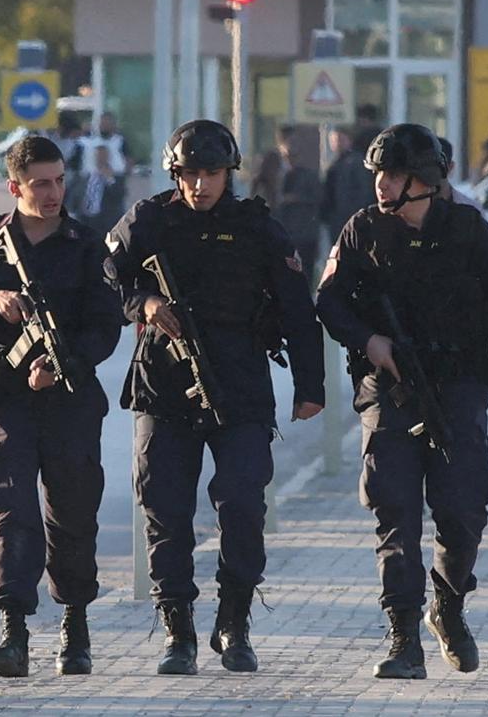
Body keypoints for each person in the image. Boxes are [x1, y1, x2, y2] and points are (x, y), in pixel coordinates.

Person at [104, 119, 325, 675]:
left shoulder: (256, 227)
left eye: (211, 174)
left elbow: (298, 308)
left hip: (240, 384)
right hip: (164, 385)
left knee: (244, 504)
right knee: (165, 509)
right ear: (175, 174)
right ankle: (178, 628)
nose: (200, 185)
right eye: (190, 174)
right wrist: (146, 304)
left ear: (230, 174)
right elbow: (108, 273)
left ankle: (234, 622)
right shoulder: (150, 220)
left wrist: (309, 387)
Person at [316, 123, 488, 680]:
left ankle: (446, 606)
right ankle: (403, 638)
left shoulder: (468, 229)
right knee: (395, 510)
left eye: (394, 174)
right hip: (389, 387)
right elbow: (329, 302)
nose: (381, 183)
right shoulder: (361, 230)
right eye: (378, 173)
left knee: (464, 508)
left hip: (459, 386)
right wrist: (370, 341)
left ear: (423, 181)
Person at [0, 135, 122, 678]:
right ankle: (14, 632)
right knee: (13, 511)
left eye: (60, 181)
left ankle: (75, 626)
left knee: (71, 513)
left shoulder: (86, 244)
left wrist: (67, 365)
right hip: (7, 399)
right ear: (14, 187)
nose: (53, 193)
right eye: (41, 183)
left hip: (69, 397)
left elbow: (106, 325)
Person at [271, 125, 321, 290]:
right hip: (282, 232)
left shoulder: (308, 175)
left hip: (303, 234)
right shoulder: (273, 172)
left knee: (304, 275)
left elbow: (317, 201)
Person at [320, 124, 376, 243]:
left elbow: (364, 191)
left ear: (349, 140)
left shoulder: (355, 162)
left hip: (350, 218)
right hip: (337, 220)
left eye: (341, 139)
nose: (337, 143)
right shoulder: (336, 163)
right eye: (334, 140)